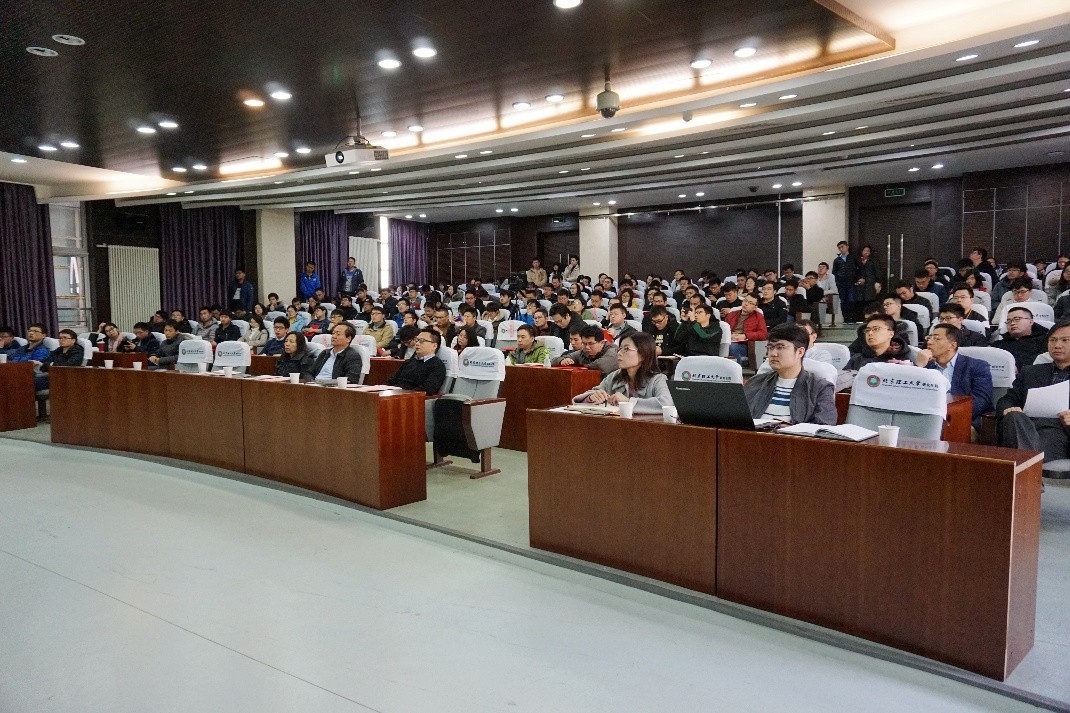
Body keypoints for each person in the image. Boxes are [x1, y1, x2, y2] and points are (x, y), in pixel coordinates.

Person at [998, 319, 1070, 463]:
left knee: (1041, 441)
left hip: (1058, 432)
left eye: (1065, 340)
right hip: (1025, 426)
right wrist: (1008, 408)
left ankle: (1024, 470)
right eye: (1052, 340)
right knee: (1014, 417)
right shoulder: (1030, 372)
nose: (1057, 345)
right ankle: (1030, 470)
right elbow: (1007, 400)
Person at [743, 324, 837, 425]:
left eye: (780, 347)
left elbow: (824, 426)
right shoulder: (755, 382)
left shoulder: (820, 387)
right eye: (770, 347)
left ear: (800, 352)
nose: (773, 353)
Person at [572, 333, 672, 413]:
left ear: (643, 354)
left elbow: (667, 404)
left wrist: (628, 402)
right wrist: (591, 397)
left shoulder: (658, 379)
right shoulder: (614, 376)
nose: (619, 353)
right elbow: (581, 398)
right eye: (620, 348)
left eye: (626, 349)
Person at [916, 323, 993, 422]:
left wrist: (948, 417)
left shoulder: (977, 366)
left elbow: (981, 401)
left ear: (952, 345)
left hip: (962, 419)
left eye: (936, 338)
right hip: (927, 418)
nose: (929, 342)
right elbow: (911, 395)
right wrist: (919, 367)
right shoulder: (925, 366)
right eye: (929, 338)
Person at [385, 328, 447, 393]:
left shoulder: (437, 366)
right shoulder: (408, 362)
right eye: (417, 340)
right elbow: (391, 381)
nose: (417, 344)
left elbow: (428, 389)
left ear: (434, 346)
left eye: (422, 341)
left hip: (411, 397)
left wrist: (404, 393)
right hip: (395, 394)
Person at [845, 314, 911, 370]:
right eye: (867, 330)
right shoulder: (857, 360)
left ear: (891, 334)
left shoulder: (903, 362)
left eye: (876, 329)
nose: (870, 333)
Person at [553, 325, 618, 375]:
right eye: (584, 343)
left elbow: (601, 366)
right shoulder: (583, 352)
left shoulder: (613, 351)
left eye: (590, 344)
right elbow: (553, 361)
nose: (587, 347)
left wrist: (581, 367)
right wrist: (562, 361)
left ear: (602, 343)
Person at [723, 295, 766, 362]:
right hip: (729, 340)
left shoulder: (758, 316)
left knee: (732, 347)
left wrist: (745, 336)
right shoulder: (732, 314)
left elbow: (763, 334)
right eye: (745, 301)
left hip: (744, 344)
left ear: (755, 307)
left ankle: (734, 367)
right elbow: (723, 329)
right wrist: (729, 335)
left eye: (750, 303)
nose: (746, 304)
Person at [832, 241, 862, 323]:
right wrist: (836, 282)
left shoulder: (854, 257)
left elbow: (861, 268)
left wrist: (860, 278)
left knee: (851, 301)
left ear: (847, 247)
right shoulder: (837, 260)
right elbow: (834, 272)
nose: (841, 249)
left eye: (842, 247)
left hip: (851, 283)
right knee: (843, 301)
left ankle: (852, 319)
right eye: (839, 248)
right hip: (841, 284)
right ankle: (846, 319)